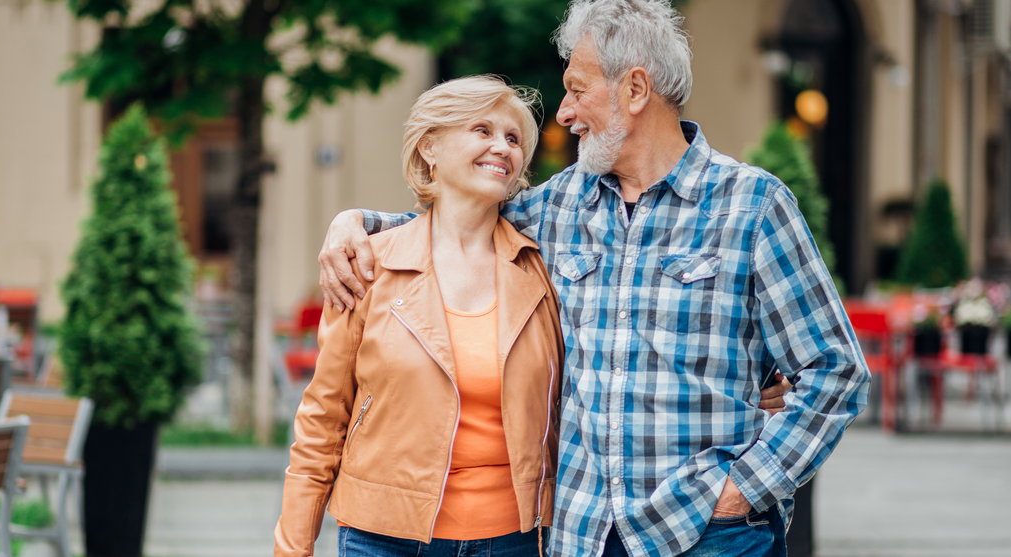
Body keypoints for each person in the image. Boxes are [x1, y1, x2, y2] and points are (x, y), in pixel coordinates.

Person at [317, 1, 869, 556]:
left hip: (710, 533)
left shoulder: (752, 205)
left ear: (634, 91)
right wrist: (358, 226)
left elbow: (836, 369)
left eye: (576, 90)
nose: (563, 112)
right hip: (582, 533)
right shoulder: (560, 205)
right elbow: (456, 225)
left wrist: (744, 489)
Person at [274, 76, 562, 557]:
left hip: (515, 538)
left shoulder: (542, 268)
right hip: (384, 537)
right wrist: (292, 547)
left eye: (513, 139)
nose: (502, 147)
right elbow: (322, 420)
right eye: (482, 130)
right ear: (430, 146)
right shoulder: (367, 266)